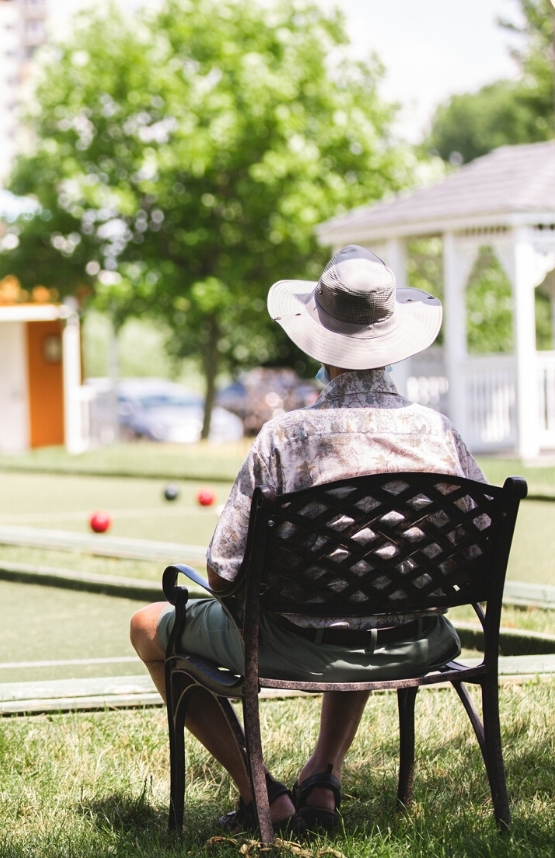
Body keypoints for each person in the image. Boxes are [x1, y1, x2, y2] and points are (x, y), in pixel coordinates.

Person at [130, 245, 483, 835]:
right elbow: (474, 552)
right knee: (365, 595)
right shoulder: (437, 432)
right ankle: (322, 776)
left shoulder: (284, 437)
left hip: (297, 641)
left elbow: (223, 570)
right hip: (416, 640)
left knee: (147, 626)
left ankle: (262, 795)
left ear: (321, 341)